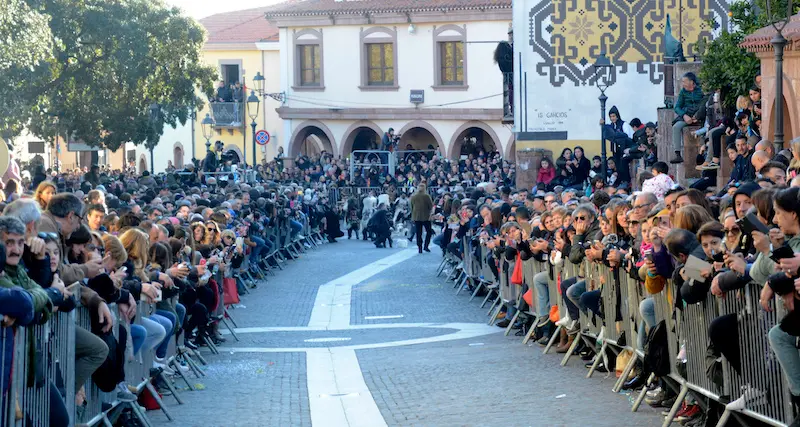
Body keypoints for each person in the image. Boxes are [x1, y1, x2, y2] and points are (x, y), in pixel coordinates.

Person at [671, 72, 705, 164]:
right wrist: (684, 115)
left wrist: (697, 116)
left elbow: (704, 104)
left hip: (700, 116)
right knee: (676, 127)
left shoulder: (701, 90)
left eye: (684, 81)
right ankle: (677, 154)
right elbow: (677, 107)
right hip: (687, 116)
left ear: (691, 82)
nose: (683, 84)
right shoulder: (683, 92)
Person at [410, 183, 434, 254]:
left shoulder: (414, 196)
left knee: (419, 233)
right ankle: (426, 246)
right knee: (428, 231)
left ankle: (419, 247)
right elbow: (430, 205)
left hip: (416, 216)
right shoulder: (426, 196)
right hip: (426, 216)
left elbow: (411, 206)